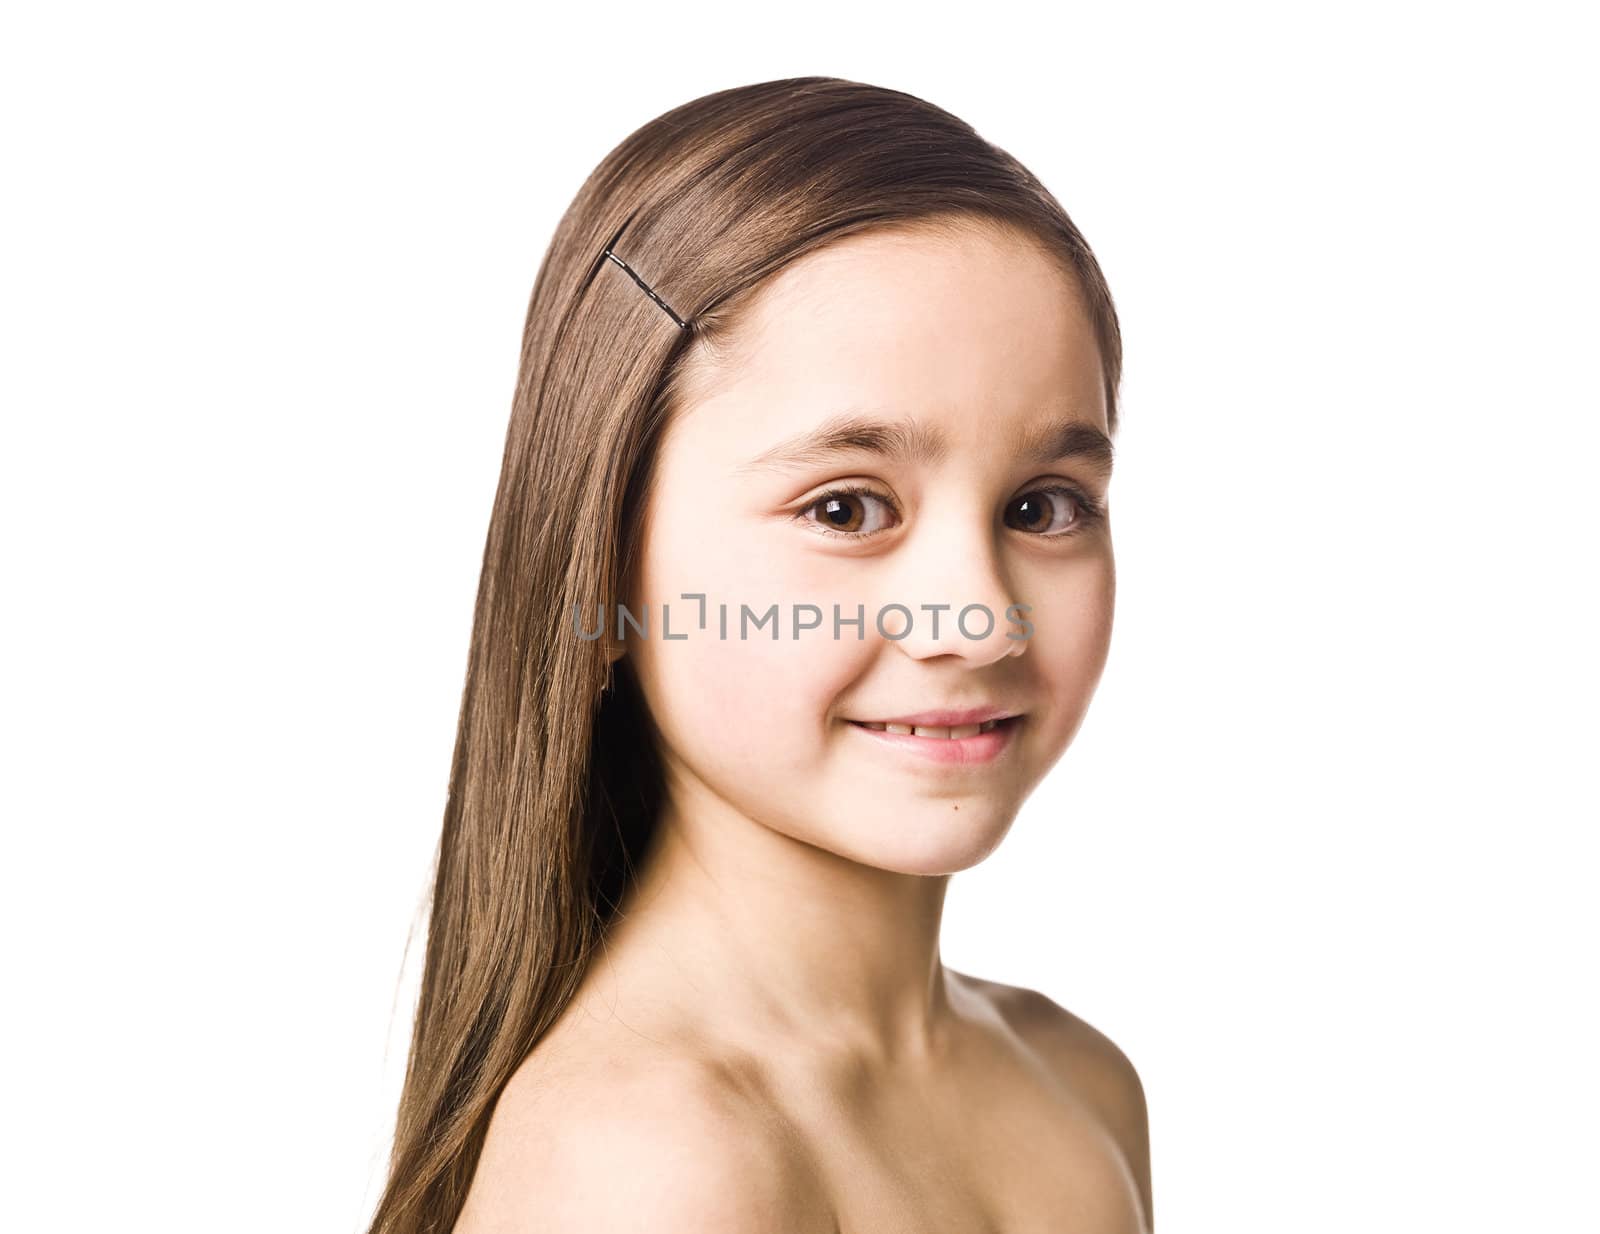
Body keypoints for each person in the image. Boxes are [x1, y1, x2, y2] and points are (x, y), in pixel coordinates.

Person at [365, 75, 1151, 1234]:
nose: (976, 618)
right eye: (844, 509)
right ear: (602, 563)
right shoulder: (645, 1169)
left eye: (1041, 506)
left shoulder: (1079, 1080)